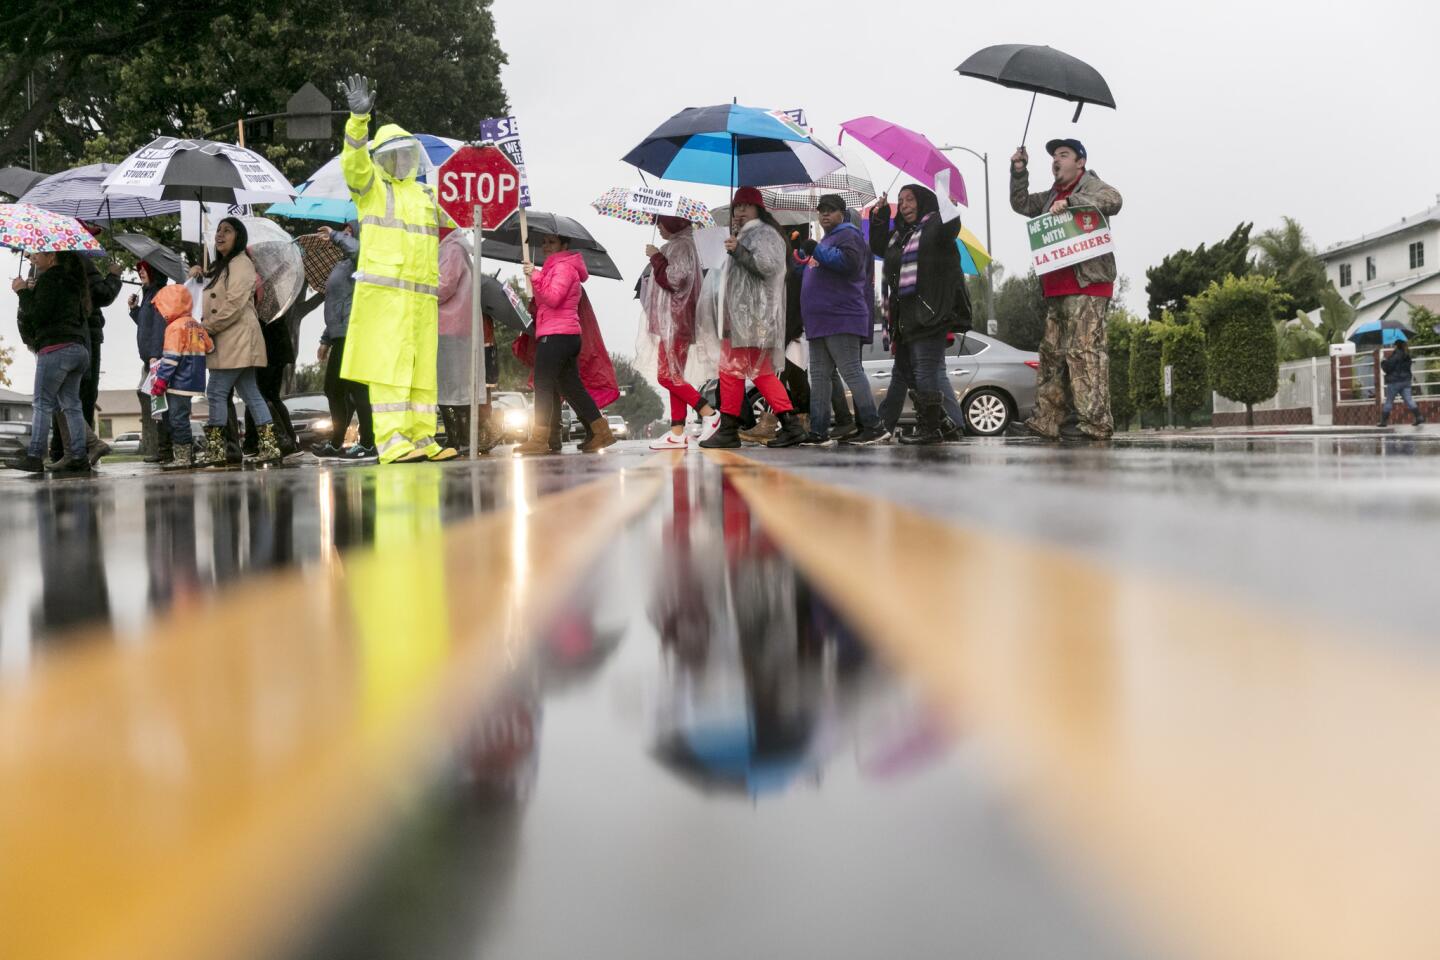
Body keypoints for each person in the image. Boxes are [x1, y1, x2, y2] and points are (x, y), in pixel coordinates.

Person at [337, 73, 456, 464]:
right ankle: (392, 443)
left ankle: (423, 439)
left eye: (407, 154)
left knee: (422, 373)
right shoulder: (371, 188)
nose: (402, 160)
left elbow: (461, 216)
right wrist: (359, 121)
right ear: (383, 157)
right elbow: (353, 163)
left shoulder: (425, 193)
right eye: (395, 154)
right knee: (389, 371)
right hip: (386, 300)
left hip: (422, 301)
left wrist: (478, 174)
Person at [1009, 138, 1124, 441]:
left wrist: (1072, 203)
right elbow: (1021, 204)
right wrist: (1019, 170)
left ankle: (1094, 423)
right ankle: (1046, 419)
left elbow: (1115, 199)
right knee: (1051, 355)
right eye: (1054, 156)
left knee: (1084, 352)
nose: (1056, 160)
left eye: (1064, 155)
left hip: (1088, 285)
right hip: (1056, 288)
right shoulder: (1050, 196)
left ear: (1080, 162)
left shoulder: (1091, 187)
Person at [698, 187, 804, 449]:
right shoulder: (745, 235)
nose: (740, 211)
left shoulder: (764, 234)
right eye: (737, 206)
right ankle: (784, 425)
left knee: (742, 372)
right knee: (748, 373)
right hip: (741, 319)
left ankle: (733, 430)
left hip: (751, 319)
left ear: (758, 209)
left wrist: (739, 251)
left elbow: (768, 266)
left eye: (746, 205)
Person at [870, 182, 971, 444]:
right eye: (900, 201)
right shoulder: (900, 236)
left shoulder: (934, 226)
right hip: (904, 318)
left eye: (910, 200)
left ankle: (930, 429)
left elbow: (951, 228)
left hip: (929, 314)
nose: (904, 206)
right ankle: (946, 424)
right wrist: (880, 216)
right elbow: (879, 247)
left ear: (923, 201)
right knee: (906, 371)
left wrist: (948, 206)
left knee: (926, 371)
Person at [797, 194, 888, 445]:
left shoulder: (850, 235)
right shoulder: (828, 239)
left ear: (842, 214)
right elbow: (817, 269)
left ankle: (873, 425)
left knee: (850, 371)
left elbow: (849, 263)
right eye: (821, 210)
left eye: (831, 210)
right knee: (819, 376)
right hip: (819, 321)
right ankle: (819, 430)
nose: (825, 214)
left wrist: (817, 250)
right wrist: (803, 258)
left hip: (841, 316)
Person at [515, 233, 616, 455]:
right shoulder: (556, 268)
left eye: (551, 242)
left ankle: (540, 438)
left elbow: (553, 298)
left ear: (565, 244)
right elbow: (546, 301)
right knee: (572, 387)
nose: (545, 246)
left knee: (542, 385)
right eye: (543, 242)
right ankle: (600, 431)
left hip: (556, 335)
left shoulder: (563, 268)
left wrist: (536, 275)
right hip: (563, 334)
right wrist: (536, 279)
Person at [191, 216, 281, 466]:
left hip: (237, 337)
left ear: (238, 237)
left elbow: (234, 303)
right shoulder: (223, 266)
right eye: (218, 231)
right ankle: (269, 447)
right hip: (231, 339)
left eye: (227, 231)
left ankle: (217, 452)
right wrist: (198, 273)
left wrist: (207, 327)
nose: (220, 235)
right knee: (250, 393)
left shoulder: (241, 263)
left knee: (216, 391)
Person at [7, 250, 91, 474]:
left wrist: (22, 292)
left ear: (51, 257)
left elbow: (38, 316)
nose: (33, 258)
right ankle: (80, 457)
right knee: (72, 405)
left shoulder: (49, 280)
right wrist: (33, 292)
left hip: (55, 349)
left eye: (37, 255)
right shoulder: (72, 282)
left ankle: (35, 455)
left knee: (42, 404)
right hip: (79, 349)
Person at [642, 215, 720, 449]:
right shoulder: (680, 245)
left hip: (676, 321)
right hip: (674, 321)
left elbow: (676, 279)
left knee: (666, 376)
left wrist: (656, 257)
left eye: (661, 222)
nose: (658, 227)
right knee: (675, 375)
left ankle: (709, 413)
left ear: (673, 223)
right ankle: (677, 432)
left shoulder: (682, 246)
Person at [313, 222, 377, 459]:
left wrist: (335, 235)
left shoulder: (361, 260)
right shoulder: (342, 265)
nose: (345, 236)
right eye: (344, 232)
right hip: (340, 334)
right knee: (334, 389)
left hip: (355, 332)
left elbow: (358, 250)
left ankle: (367, 442)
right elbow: (336, 305)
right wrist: (325, 339)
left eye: (350, 233)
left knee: (356, 388)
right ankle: (338, 441)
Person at [436, 227, 499, 456]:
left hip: (448, 325)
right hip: (457, 325)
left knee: (449, 388)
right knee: (456, 387)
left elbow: (444, 285)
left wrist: (420, 290)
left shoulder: (451, 249)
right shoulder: (457, 248)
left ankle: (457, 439)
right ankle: (461, 438)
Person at [147, 284, 212, 468]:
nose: (160, 311)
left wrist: (160, 382)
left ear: (170, 304)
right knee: (182, 416)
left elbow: (171, 359)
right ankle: (187, 454)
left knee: (177, 419)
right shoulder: (195, 324)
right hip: (195, 381)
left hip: (178, 381)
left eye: (161, 307)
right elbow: (210, 347)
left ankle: (183, 457)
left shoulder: (174, 328)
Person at [129, 261, 173, 462]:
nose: (140, 272)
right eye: (139, 269)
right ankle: (161, 449)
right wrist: (134, 310)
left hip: (157, 359)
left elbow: (159, 326)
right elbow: (146, 324)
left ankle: (165, 450)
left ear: (155, 271)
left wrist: (155, 355)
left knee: (162, 405)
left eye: (144, 269)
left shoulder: (160, 295)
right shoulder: (148, 294)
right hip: (150, 358)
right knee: (157, 405)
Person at [1379, 337, 1425, 427]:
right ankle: (1419, 416)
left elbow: (1387, 369)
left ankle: (1383, 422)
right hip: (1406, 381)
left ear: (1396, 346)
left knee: (1389, 401)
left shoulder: (1395, 356)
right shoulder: (1407, 355)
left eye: (1394, 345)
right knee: (1409, 400)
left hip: (1394, 382)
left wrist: (1383, 361)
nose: (1393, 347)